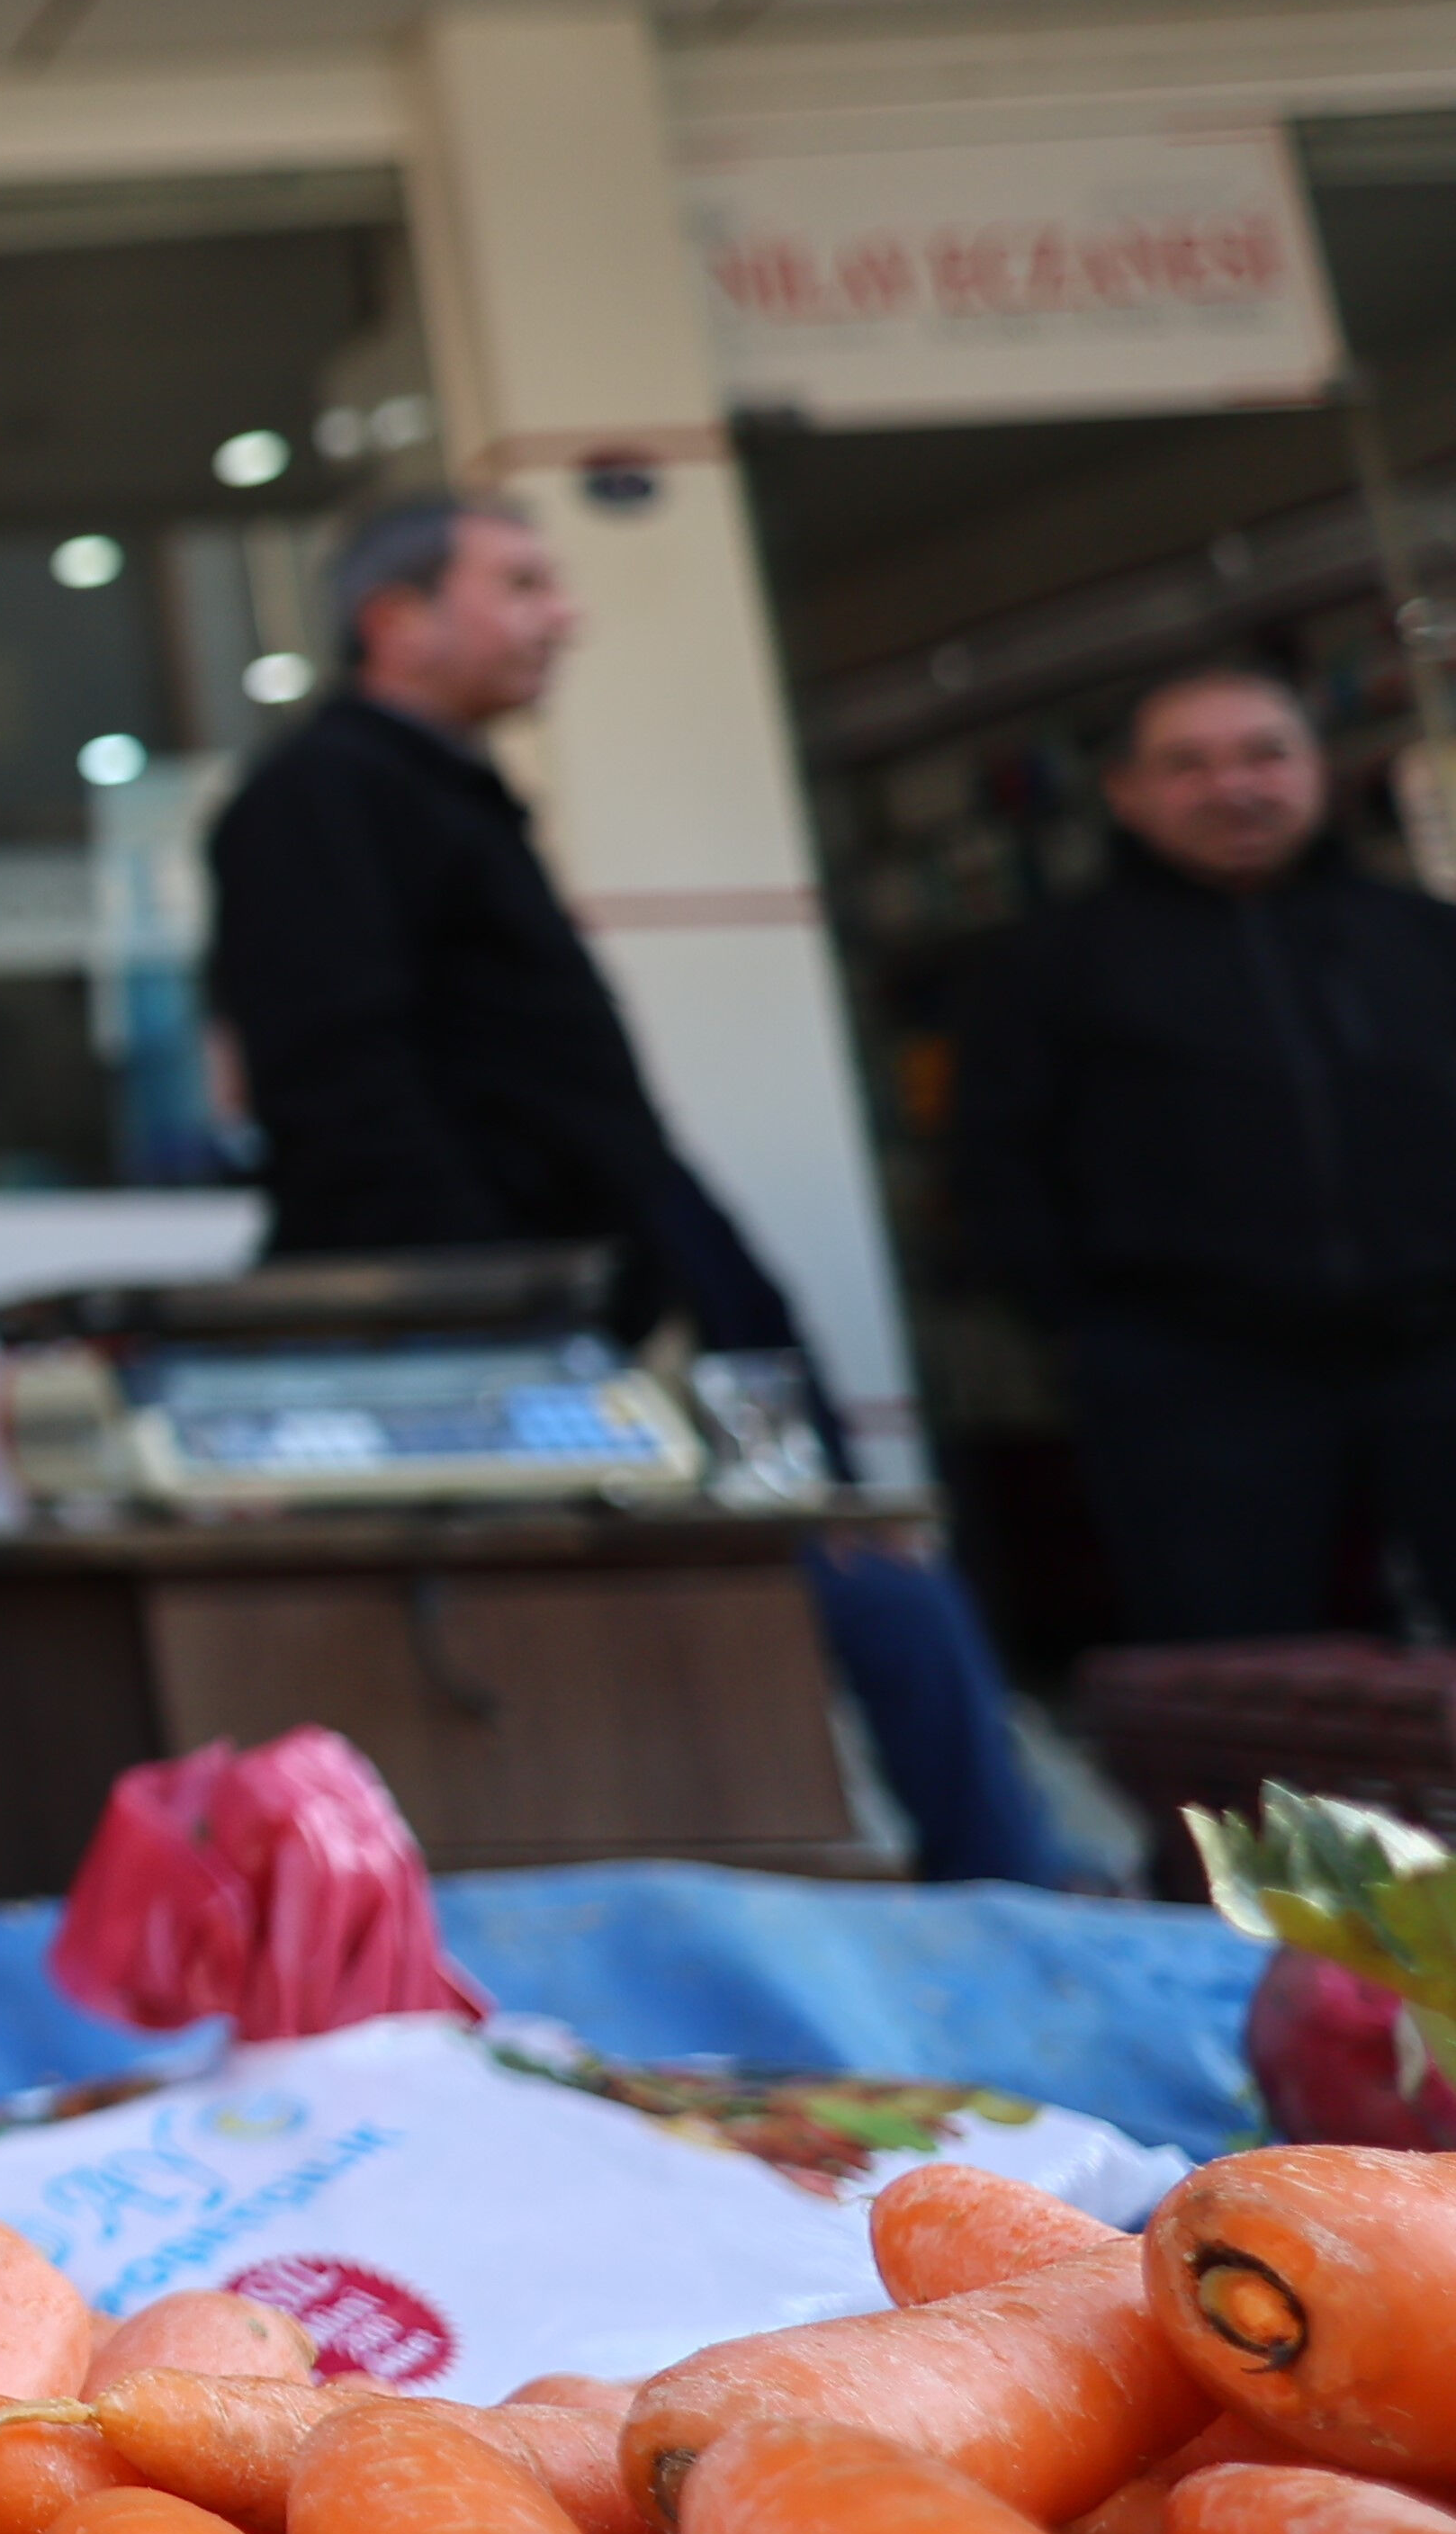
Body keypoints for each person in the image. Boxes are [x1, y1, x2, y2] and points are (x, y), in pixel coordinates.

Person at [207, 490, 1070, 1884]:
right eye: (523, 583)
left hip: (605, 1316)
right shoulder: (323, 801)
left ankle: (1005, 1901)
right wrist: (513, 1340)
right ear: (396, 618)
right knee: (837, 1603)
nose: (568, 615)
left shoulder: (439, 797)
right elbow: (342, 1096)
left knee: (872, 1582)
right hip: (509, 1351)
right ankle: (1009, 1907)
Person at [951, 662, 1456, 1645]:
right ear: (1126, 794)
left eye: (1266, 755)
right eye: (1189, 764)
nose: (1235, 787)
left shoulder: (1425, 940)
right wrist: (1081, 1331)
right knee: (1241, 1672)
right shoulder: (1049, 966)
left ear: (1320, 771)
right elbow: (996, 1161)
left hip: (1439, 1349)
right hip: (1197, 1377)